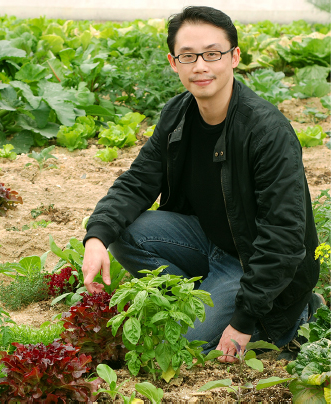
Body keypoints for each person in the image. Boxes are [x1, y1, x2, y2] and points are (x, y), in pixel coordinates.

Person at [81, 6, 321, 363]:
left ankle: (285, 315)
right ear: (173, 62)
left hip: (253, 260)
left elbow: (284, 236)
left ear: (234, 57)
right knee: (125, 231)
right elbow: (137, 181)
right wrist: (96, 235)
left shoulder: (266, 131)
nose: (200, 66)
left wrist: (243, 319)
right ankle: (205, 296)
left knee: (182, 343)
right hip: (207, 240)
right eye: (188, 56)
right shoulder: (177, 114)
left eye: (212, 54)